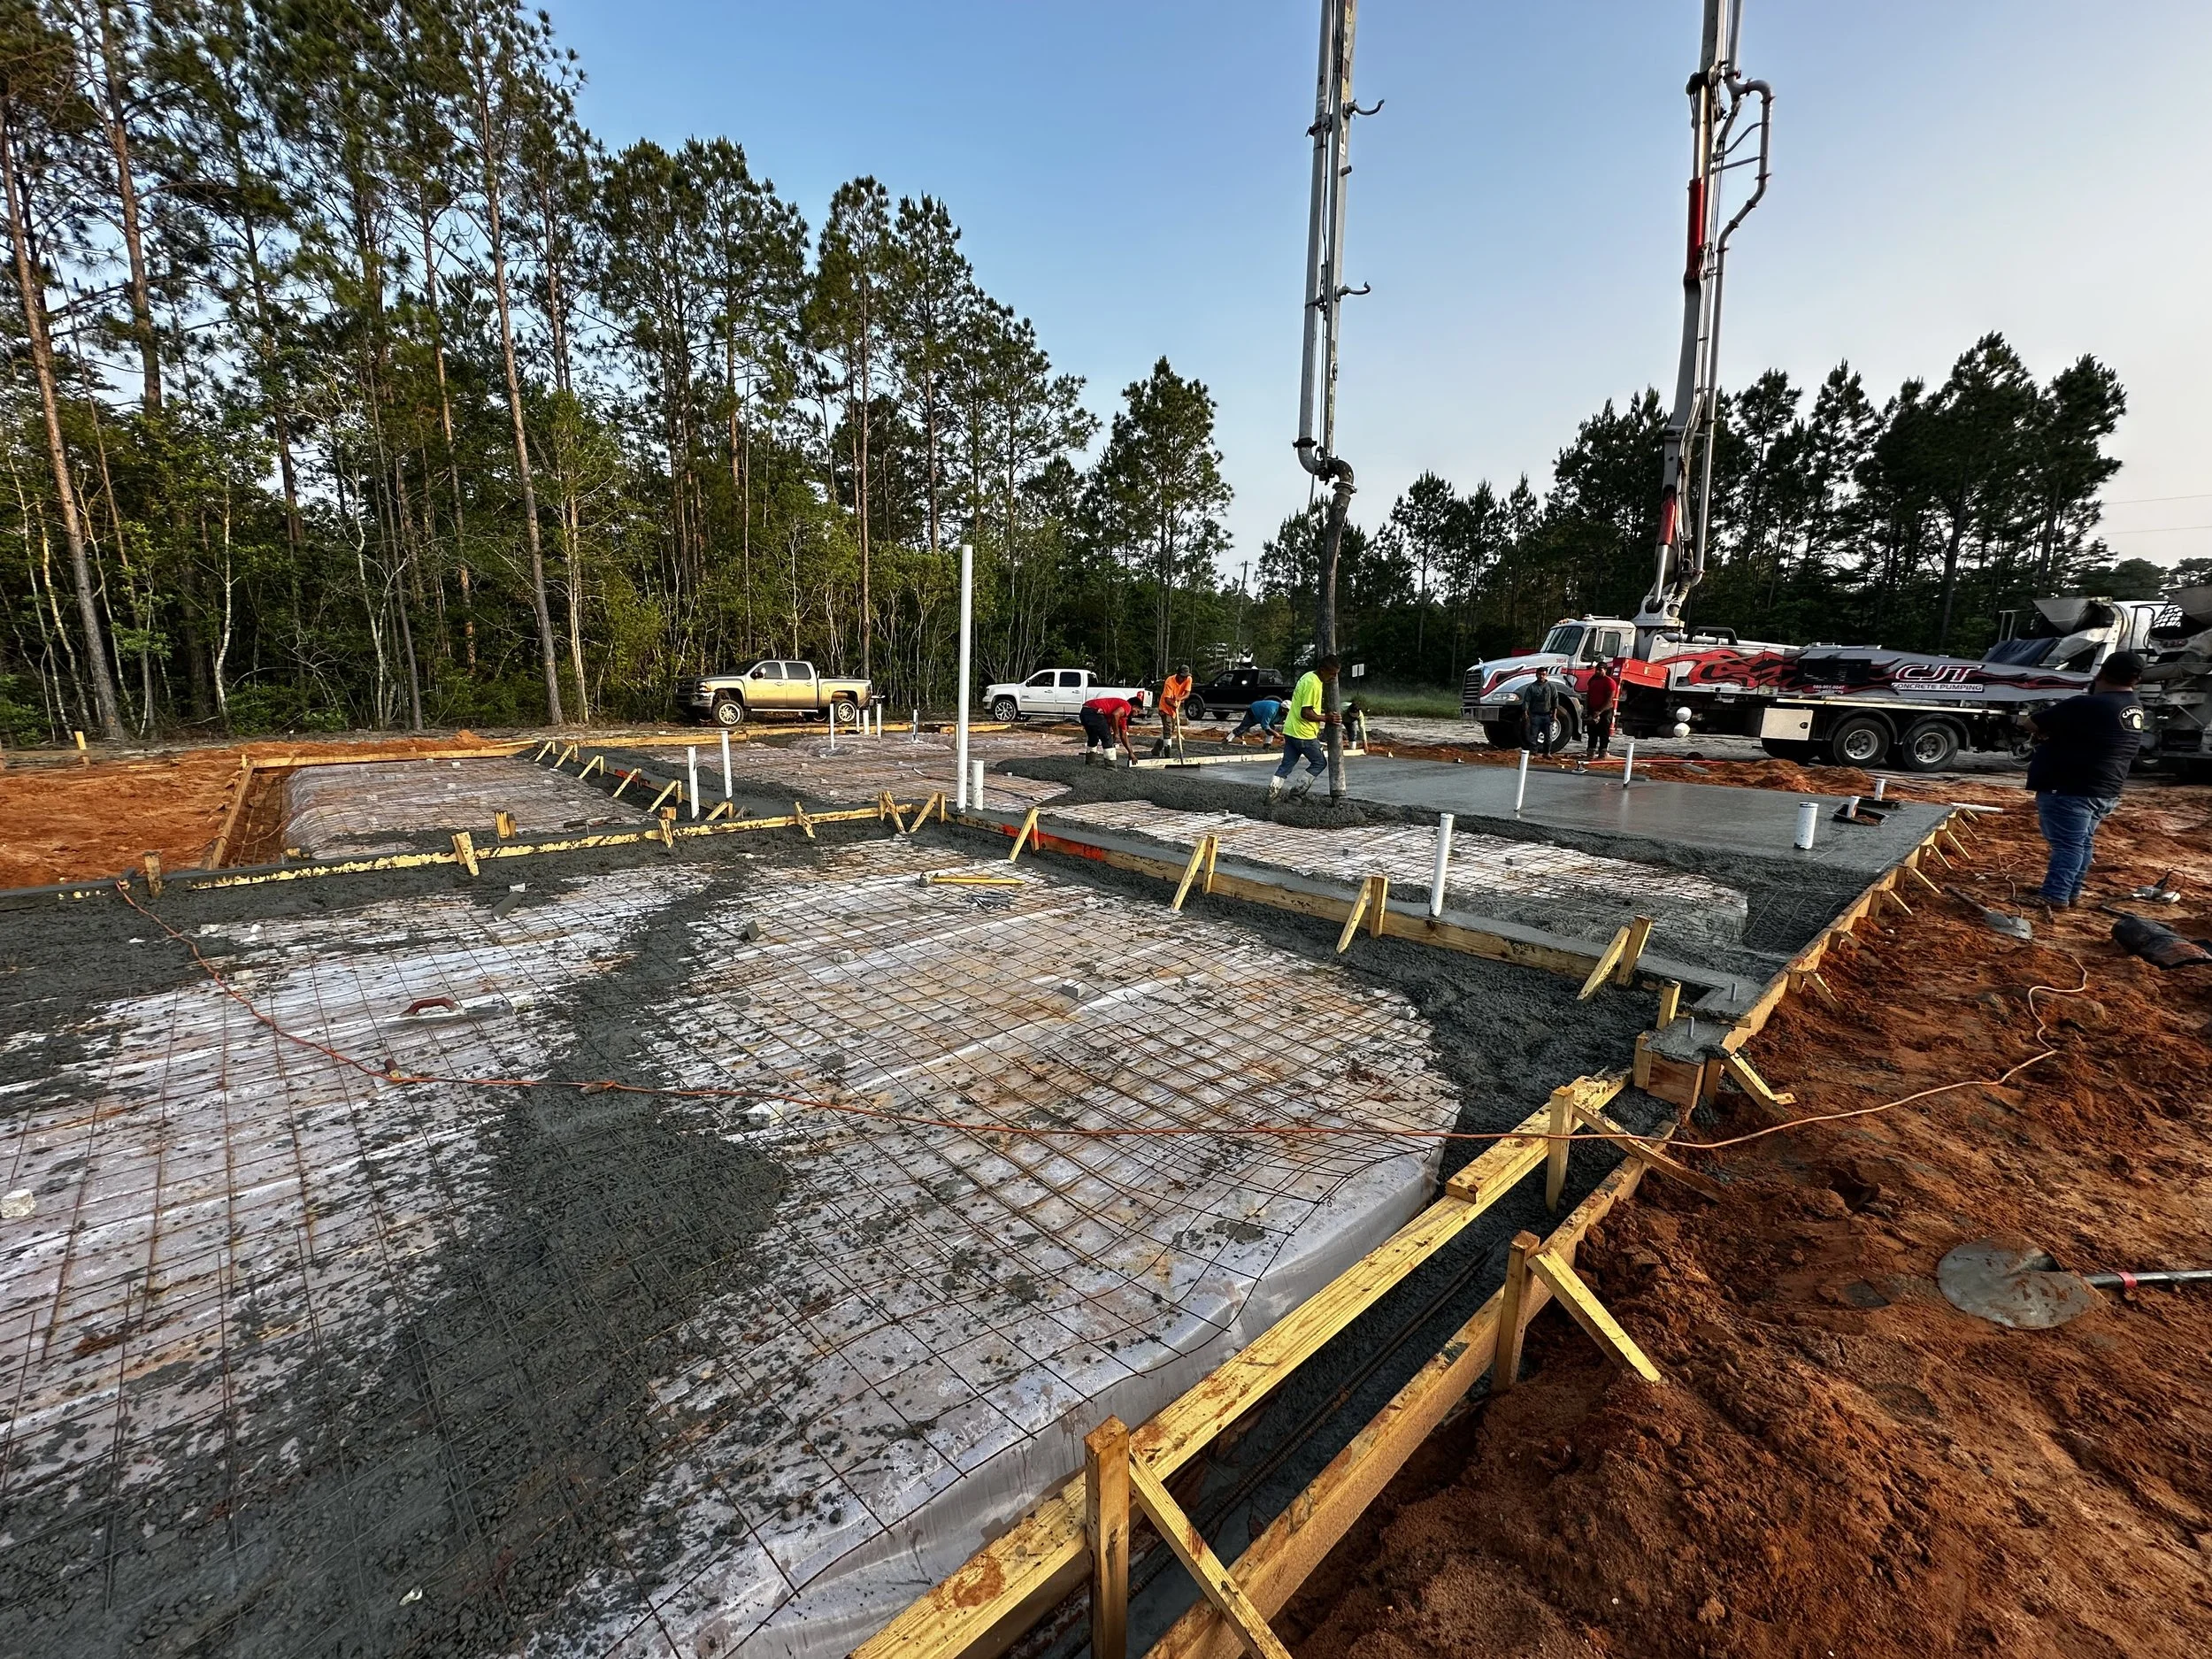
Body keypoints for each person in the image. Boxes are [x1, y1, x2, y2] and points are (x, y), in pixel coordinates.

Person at [2025, 650, 2146, 909]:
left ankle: (2055, 895)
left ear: (2101, 673)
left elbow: (2032, 723)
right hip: (2105, 789)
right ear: (2135, 679)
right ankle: (2069, 892)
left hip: (2071, 788)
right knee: (2081, 843)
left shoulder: (2087, 704)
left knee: (2068, 845)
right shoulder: (2133, 706)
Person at [1269, 656, 1337, 801]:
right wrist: (1326, 718)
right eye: (1332, 673)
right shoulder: (1314, 684)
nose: (1334, 677)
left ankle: (1271, 796)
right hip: (1304, 734)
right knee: (1319, 763)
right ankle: (1296, 796)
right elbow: (1306, 713)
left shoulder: (1307, 676)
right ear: (1322, 670)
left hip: (1291, 730)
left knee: (1285, 766)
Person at [1080, 687, 1147, 766]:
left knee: (1093, 737)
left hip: (1085, 710)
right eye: (1137, 711)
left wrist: (1131, 753)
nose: (1136, 714)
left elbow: (1124, 736)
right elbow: (1115, 714)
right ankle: (1110, 765)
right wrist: (1116, 733)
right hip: (1095, 711)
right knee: (1107, 738)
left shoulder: (1123, 718)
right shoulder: (1127, 706)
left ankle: (1090, 761)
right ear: (1134, 706)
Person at [1581, 658, 1622, 764]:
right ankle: (1590, 751)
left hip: (1605, 711)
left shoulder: (1609, 682)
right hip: (1592, 709)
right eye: (1597, 670)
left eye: (1600, 670)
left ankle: (1603, 752)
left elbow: (1609, 700)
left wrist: (1599, 711)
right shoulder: (1593, 680)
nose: (1598, 671)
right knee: (1592, 732)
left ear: (1605, 670)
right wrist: (1586, 709)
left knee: (1603, 732)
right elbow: (1588, 695)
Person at [1522, 666, 1563, 758]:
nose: (1541, 676)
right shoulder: (1532, 687)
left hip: (1547, 715)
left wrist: (1555, 714)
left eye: (1543, 674)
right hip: (1535, 715)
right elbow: (1527, 700)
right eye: (1540, 674)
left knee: (1548, 736)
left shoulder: (1551, 686)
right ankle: (1533, 752)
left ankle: (1547, 752)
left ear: (1546, 675)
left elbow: (1555, 700)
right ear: (1536, 675)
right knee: (1533, 735)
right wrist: (1525, 712)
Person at [1154, 664, 1194, 758]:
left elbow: (1187, 694)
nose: (1184, 679)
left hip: (1174, 708)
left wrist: (1180, 698)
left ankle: (1156, 748)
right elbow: (1167, 699)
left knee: (1170, 730)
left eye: (1185, 677)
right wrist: (1174, 704)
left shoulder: (1188, 679)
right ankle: (1168, 754)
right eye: (1182, 677)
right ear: (1178, 675)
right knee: (1168, 729)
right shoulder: (1170, 681)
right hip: (1165, 707)